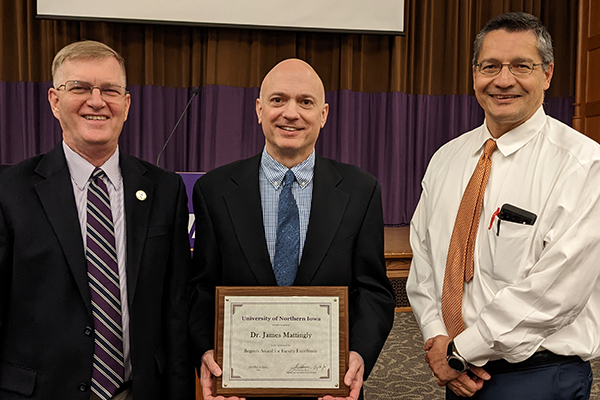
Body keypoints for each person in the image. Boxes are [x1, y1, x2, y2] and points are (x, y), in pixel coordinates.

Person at [406, 11, 600, 399]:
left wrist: (462, 351)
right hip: (457, 372)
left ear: (547, 74)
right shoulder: (447, 158)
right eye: (490, 66)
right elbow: (424, 259)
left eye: (521, 66)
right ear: (474, 73)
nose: (503, 80)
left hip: (541, 376)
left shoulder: (584, 165)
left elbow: (555, 292)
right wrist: (437, 338)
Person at [189, 58, 396, 400]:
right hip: (240, 388)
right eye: (277, 100)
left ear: (324, 114)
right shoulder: (214, 191)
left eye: (305, 102)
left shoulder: (361, 190)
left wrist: (358, 355)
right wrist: (205, 352)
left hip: (329, 389)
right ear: (259, 109)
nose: (290, 113)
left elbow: (373, 289)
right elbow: (200, 289)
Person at [0, 41, 194, 400]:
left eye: (110, 90)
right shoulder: (9, 191)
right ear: (54, 102)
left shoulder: (166, 191)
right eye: (79, 88)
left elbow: (175, 314)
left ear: (127, 104)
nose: (97, 100)